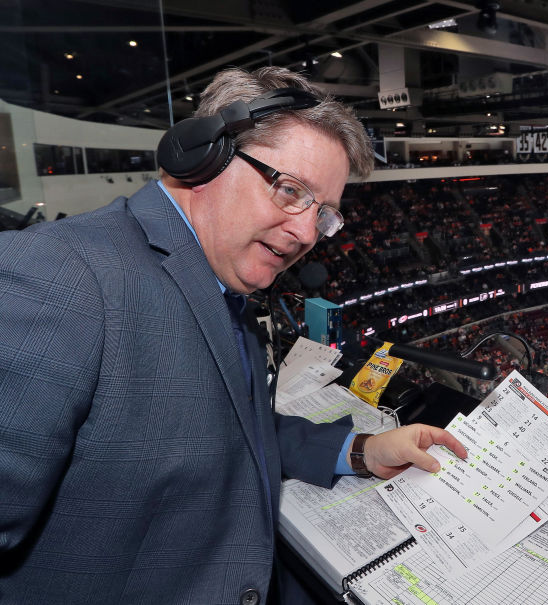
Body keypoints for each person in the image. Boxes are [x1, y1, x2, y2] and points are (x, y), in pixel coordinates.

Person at [0, 66, 466, 605]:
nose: (307, 233)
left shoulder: (221, 283)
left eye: (324, 215)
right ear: (205, 159)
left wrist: (361, 450)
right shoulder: (57, 276)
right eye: (290, 190)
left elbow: (234, 430)